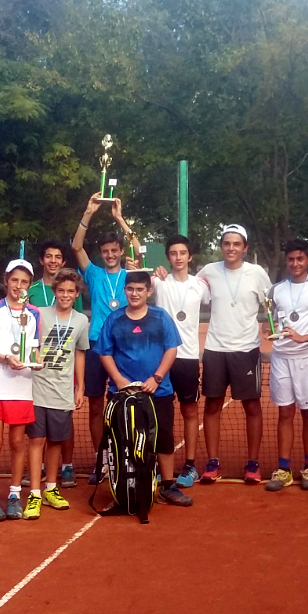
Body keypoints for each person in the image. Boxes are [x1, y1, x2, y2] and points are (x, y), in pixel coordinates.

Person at [96, 270, 193, 507]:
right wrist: (119, 380)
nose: (134, 293)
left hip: (158, 392)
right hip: (123, 395)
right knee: (123, 443)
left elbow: (171, 349)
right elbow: (105, 352)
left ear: (149, 291)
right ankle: (124, 491)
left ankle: (167, 487)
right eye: (130, 289)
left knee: (163, 440)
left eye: (140, 289)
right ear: (125, 290)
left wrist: (157, 378)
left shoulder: (161, 317)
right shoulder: (114, 319)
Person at [71, 195, 143, 483]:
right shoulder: (93, 274)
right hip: (95, 346)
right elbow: (76, 246)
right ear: (101, 252)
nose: (110, 254)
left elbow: (141, 249)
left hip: (123, 347)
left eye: (114, 250)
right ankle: (101, 459)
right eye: (106, 250)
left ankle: (123, 456)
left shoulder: (131, 273)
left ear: (119, 250)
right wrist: (88, 213)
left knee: (125, 403)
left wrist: (119, 218)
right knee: (96, 405)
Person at [195, 225, 273, 484]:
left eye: (236, 244)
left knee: (252, 406)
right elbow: (187, 290)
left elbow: (273, 303)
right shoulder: (208, 271)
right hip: (215, 349)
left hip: (246, 350)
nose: (231, 248)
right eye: (227, 243)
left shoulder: (257, 273)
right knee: (212, 405)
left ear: (245, 248)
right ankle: (213, 463)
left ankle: (252, 463)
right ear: (222, 246)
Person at [263, 238, 308, 492]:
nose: (295, 263)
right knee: (284, 413)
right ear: (287, 261)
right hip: (281, 358)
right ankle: (283, 469)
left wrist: (302, 338)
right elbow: (270, 322)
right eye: (291, 259)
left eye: (300, 259)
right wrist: (268, 330)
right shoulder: (275, 290)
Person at [0, 259, 42, 522]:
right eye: (15, 280)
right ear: (6, 282)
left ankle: (14, 495)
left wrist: (38, 361)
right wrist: (2, 357)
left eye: (24, 282)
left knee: (16, 443)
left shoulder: (34, 313)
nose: (19, 286)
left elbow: (35, 347)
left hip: (21, 386)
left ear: (30, 286)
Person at [22, 268, 90, 520]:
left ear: (76, 294)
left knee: (56, 443)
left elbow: (80, 353)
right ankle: (35, 493)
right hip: (36, 389)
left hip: (62, 392)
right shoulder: (39, 314)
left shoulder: (81, 321)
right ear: (54, 291)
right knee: (36, 440)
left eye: (70, 292)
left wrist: (79, 386)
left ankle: (51, 488)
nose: (65, 295)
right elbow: (28, 344)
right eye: (61, 290)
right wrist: (32, 360)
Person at [150, 234, 210, 488]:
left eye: (182, 253)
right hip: (162, 357)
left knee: (189, 411)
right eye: (173, 253)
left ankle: (190, 464)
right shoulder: (158, 281)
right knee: (157, 413)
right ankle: (154, 463)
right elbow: (136, 280)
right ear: (168, 257)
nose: (178, 257)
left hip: (187, 358)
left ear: (190, 256)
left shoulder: (202, 285)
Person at [28, 240, 67, 308]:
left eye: (58, 257)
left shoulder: (70, 290)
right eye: (48, 256)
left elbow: (78, 316)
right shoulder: (30, 289)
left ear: (63, 262)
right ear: (41, 260)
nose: (53, 261)